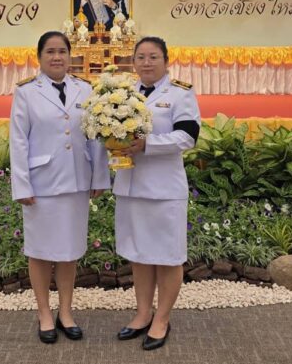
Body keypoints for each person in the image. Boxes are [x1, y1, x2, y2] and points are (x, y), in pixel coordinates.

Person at [10, 31, 110, 344]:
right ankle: (44, 313)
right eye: (50, 52)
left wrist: (99, 176)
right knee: (40, 251)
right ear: (39, 57)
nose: (57, 57)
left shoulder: (84, 88)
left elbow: (95, 136)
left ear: (70, 55)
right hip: (41, 184)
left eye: (62, 51)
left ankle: (65, 312)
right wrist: (21, 185)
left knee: (69, 251)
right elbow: (18, 140)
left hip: (77, 179)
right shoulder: (26, 92)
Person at [114, 36, 201, 351]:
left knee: (167, 256)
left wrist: (149, 144)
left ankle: (161, 319)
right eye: (140, 57)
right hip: (131, 184)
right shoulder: (123, 93)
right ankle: (142, 314)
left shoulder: (180, 93)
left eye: (153, 57)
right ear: (134, 61)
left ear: (166, 60)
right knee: (139, 254)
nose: (146, 62)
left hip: (164, 189)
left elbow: (188, 137)